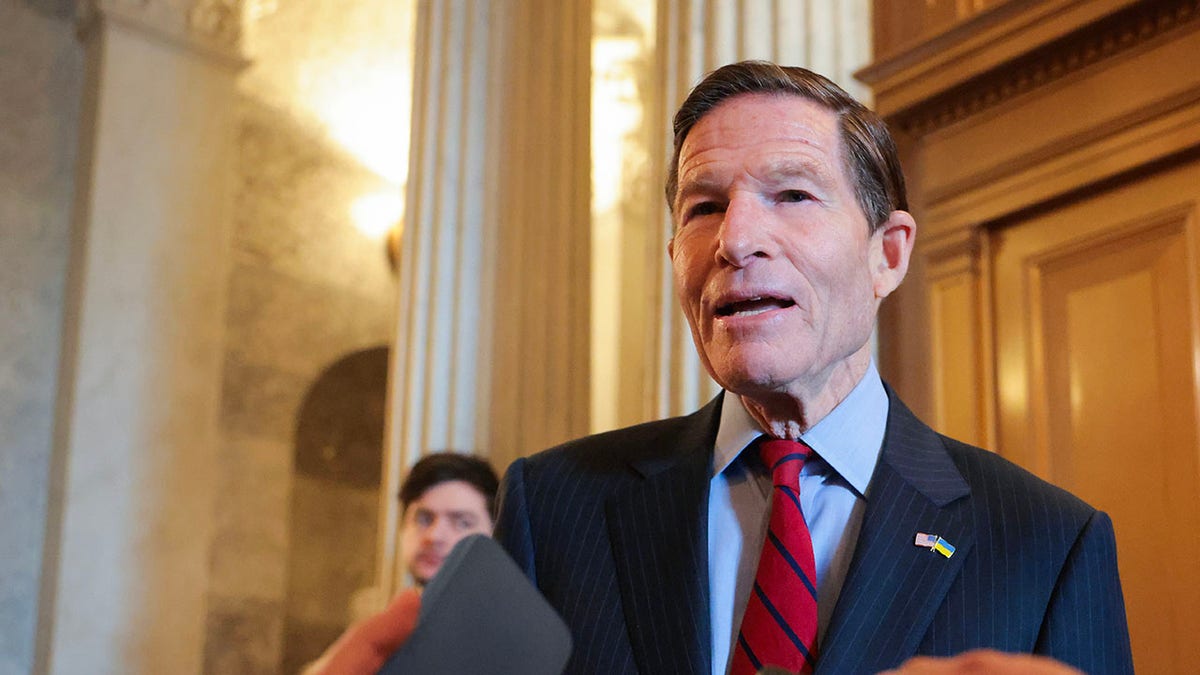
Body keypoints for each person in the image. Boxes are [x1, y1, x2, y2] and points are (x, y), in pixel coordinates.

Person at [492, 61, 1133, 675]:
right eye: (704, 208)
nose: (735, 239)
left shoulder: (1047, 542)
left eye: (793, 194)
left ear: (888, 253)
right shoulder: (550, 508)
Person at [304, 452, 498, 674]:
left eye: (462, 523)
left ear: (495, 534)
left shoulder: (509, 632)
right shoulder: (380, 626)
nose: (434, 536)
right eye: (424, 518)